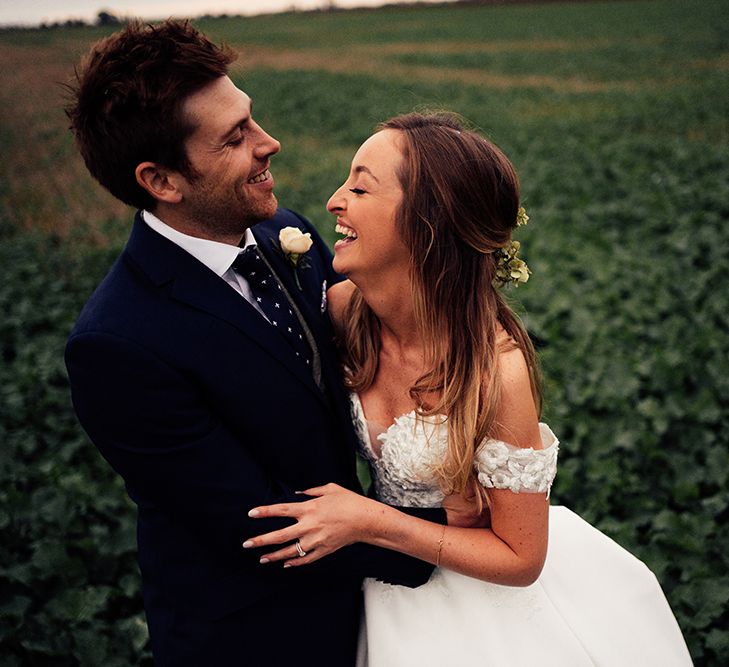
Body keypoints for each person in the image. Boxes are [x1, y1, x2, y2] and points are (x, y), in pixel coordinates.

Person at [64, 22, 479, 666]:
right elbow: (262, 524)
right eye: (235, 138)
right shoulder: (118, 343)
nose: (269, 143)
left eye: (250, 119)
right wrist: (451, 551)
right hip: (257, 633)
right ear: (162, 181)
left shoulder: (288, 232)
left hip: (369, 592)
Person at [244, 112, 694, 665]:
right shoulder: (339, 314)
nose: (334, 201)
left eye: (360, 187)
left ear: (426, 225)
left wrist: (370, 519)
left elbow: (521, 559)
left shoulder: (495, 372)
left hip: (484, 598)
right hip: (381, 590)